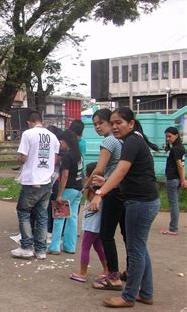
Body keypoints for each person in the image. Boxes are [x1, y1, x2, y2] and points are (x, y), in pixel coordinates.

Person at [88, 107, 160, 308]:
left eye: (119, 122)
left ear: (131, 122)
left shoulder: (131, 142)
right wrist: (105, 182)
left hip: (141, 204)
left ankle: (128, 297)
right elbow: (130, 176)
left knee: (135, 250)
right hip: (143, 201)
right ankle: (146, 293)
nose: (115, 126)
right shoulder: (134, 140)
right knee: (140, 249)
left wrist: (99, 195)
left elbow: (121, 171)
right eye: (112, 123)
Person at [84, 108, 126, 290]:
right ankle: (126, 272)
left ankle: (113, 275)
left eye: (100, 123)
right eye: (94, 124)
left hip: (111, 191)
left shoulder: (109, 141)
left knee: (106, 235)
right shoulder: (123, 140)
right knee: (126, 236)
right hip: (124, 191)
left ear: (110, 121)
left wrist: (85, 186)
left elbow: (99, 169)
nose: (97, 127)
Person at [12, 111, 59, 260]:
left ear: (29, 122)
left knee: (24, 211)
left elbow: (24, 156)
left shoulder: (28, 134)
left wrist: (19, 159)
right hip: (47, 180)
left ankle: (26, 246)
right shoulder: (53, 136)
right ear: (41, 121)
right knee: (42, 215)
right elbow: (55, 157)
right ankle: (40, 250)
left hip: (31, 180)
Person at [69, 162, 108, 283]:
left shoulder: (91, 190)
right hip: (96, 223)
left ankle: (83, 272)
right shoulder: (103, 190)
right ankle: (107, 269)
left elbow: (84, 190)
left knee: (85, 246)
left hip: (92, 224)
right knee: (98, 246)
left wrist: (88, 182)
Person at [48, 130, 83, 255]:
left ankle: (55, 246)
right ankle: (70, 246)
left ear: (66, 142)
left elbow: (65, 175)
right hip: (78, 189)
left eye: (61, 142)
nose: (60, 144)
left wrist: (59, 194)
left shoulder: (67, 156)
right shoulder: (79, 155)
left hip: (68, 189)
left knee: (59, 218)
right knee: (72, 218)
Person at [161, 127, 186, 235]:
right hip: (176, 179)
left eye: (170, 136)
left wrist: (183, 179)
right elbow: (182, 166)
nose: (168, 139)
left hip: (173, 178)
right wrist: (182, 179)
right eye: (166, 136)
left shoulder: (175, 149)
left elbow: (180, 166)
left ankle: (173, 228)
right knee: (175, 203)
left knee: (173, 203)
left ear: (176, 135)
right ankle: (173, 227)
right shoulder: (181, 148)